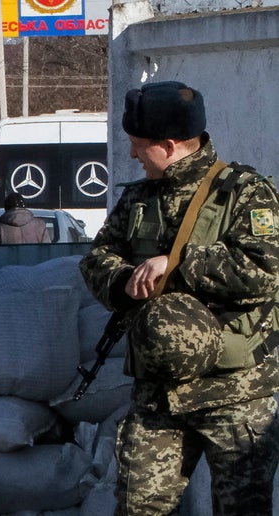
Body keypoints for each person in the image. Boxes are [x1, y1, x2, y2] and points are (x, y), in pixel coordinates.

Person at [79, 81, 279, 515]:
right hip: (157, 396)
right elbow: (96, 259)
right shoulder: (137, 199)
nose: (132, 155)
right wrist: (124, 280)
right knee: (138, 507)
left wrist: (177, 262)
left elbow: (265, 271)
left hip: (235, 393)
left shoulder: (245, 193)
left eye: (138, 146)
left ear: (168, 145)